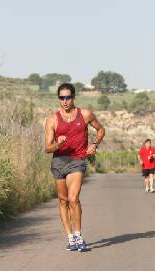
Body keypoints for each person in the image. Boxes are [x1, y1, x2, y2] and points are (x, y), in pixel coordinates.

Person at [45, 83, 105, 251]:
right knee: (63, 200)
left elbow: (101, 130)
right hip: (58, 162)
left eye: (68, 97)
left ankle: (78, 236)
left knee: (73, 198)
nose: (65, 101)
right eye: (61, 98)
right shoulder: (52, 120)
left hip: (77, 161)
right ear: (58, 99)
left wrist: (94, 144)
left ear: (73, 97)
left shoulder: (85, 114)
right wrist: (58, 143)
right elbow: (47, 148)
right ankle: (70, 238)